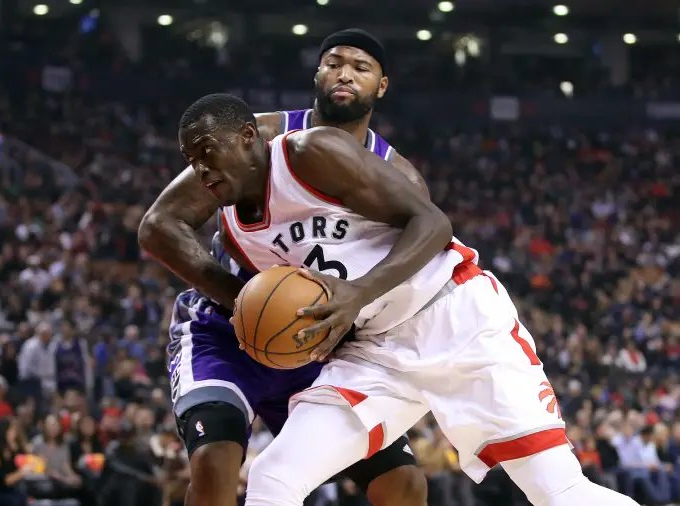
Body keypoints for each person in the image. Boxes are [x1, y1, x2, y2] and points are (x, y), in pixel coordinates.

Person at [172, 92, 641, 506]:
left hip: (455, 316)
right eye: (191, 159)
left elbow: (434, 224)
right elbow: (159, 230)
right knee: (274, 476)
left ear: (250, 136)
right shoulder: (236, 231)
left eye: (208, 152)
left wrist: (359, 293)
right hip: (374, 352)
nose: (201, 169)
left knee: (557, 494)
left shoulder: (312, 151)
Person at [139, 29, 428, 506]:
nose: (344, 74)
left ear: (382, 86)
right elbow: (159, 225)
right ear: (316, 74)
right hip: (225, 333)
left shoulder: (401, 178)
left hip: (319, 343)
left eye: (360, 67)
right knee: (214, 465)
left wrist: (358, 306)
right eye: (334, 63)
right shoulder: (255, 137)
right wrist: (239, 298)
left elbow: (420, 248)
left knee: (403, 484)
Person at [0, 417, 29, 506]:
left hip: (12, 493)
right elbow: (5, 481)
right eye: (11, 431)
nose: (14, 434)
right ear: (3, 433)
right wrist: (23, 471)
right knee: (14, 500)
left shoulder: (12, 450)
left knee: (23, 495)